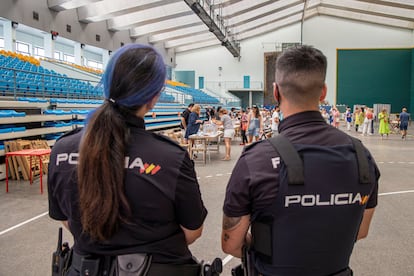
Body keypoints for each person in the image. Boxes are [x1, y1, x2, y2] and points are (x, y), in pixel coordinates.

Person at [48, 44, 208, 276]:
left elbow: (66, 219)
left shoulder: (62, 149)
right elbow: (192, 231)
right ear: (153, 99)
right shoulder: (171, 157)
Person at [221, 45, 379, 276]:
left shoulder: (257, 159)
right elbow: (361, 231)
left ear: (276, 92)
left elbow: (231, 244)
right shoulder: (361, 156)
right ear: (323, 92)